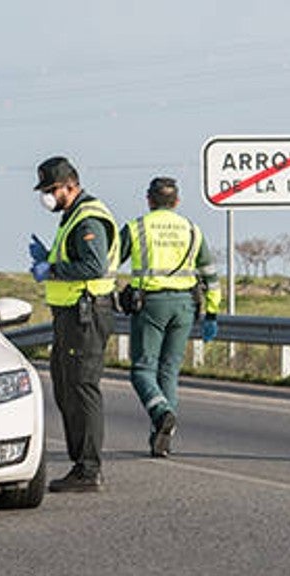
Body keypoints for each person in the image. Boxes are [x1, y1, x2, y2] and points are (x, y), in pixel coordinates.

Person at [28, 156, 119, 493]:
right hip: (71, 315)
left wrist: (50, 269)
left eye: (52, 190)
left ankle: (89, 469)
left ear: (71, 184)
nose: (48, 197)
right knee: (66, 388)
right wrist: (49, 256)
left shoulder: (87, 219)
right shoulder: (72, 216)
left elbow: (93, 266)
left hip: (86, 314)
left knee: (82, 388)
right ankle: (80, 463)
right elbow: (74, 259)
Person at [117, 177, 221, 457]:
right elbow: (210, 273)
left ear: (149, 200)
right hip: (185, 306)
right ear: (177, 202)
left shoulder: (136, 227)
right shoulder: (191, 229)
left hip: (151, 305)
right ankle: (162, 438)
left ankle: (161, 412)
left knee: (142, 370)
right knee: (169, 372)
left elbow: (109, 261)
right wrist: (212, 311)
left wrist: (111, 298)